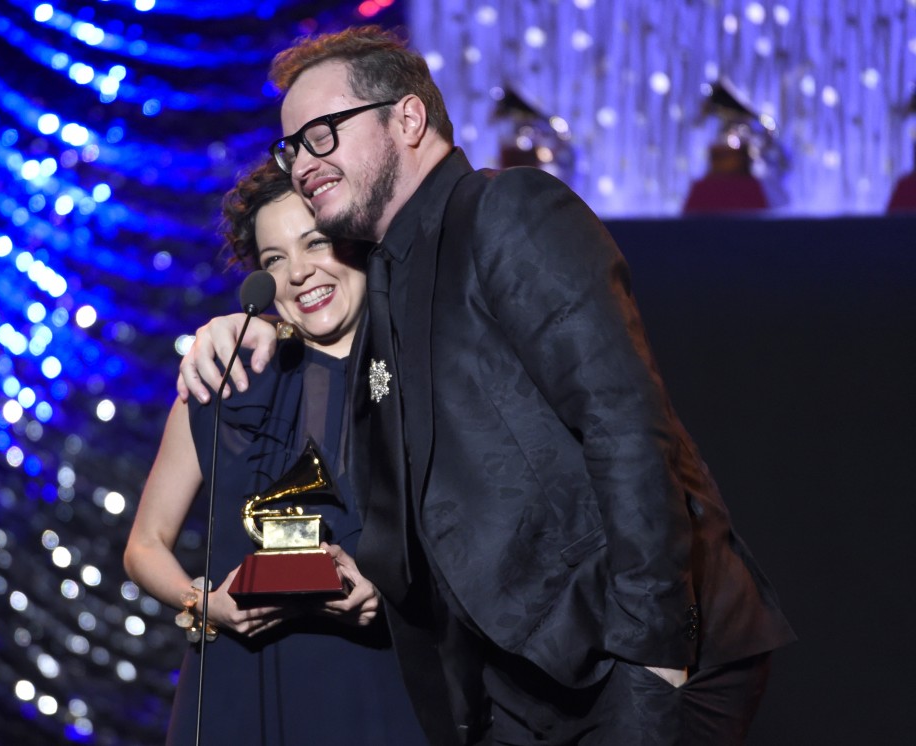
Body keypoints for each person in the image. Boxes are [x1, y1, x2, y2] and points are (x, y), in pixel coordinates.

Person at [178, 26, 796, 746]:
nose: (303, 164)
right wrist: (251, 328)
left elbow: (625, 429)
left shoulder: (509, 211)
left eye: (321, 134)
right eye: (291, 146)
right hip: (515, 682)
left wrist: (654, 659)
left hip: (628, 656)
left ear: (407, 119)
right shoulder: (385, 274)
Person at [124, 158, 426, 746]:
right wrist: (206, 603)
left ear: (357, 240)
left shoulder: (425, 371)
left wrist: (391, 596)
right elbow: (144, 545)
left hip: (390, 687)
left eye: (316, 242)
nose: (299, 273)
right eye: (274, 261)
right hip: (244, 691)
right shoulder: (224, 378)